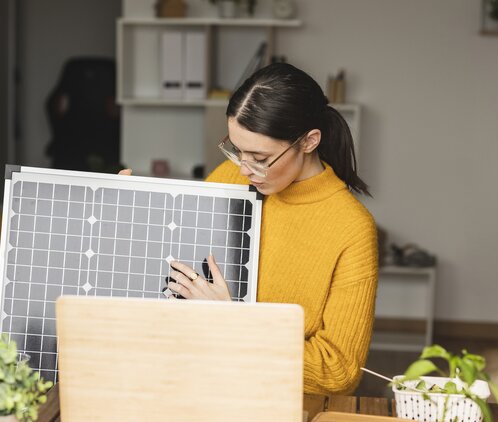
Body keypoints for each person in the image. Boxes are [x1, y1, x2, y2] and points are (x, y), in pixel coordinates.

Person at [124, 63, 378, 395]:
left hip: (279, 412)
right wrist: (127, 221)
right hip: (194, 386)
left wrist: (233, 325)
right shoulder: (229, 179)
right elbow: (179, 276)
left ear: (309, 141)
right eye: (236, 151)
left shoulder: (351, 229)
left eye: (259, 157)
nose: (245, 170)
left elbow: (339, 371)